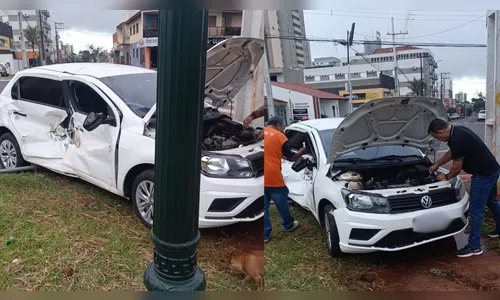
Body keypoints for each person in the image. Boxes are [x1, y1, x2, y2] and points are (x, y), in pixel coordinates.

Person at [428, 118, 500, 258]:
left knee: (475, 210)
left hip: (483, 175)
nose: (438, 139)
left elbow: (456, 168)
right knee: (492, 202)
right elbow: (452, 152)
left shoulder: (457, 139)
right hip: (492, 169)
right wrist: (437, 164)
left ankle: (474, 247)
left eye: (437, 137)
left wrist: (446, 177)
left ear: (440, 131)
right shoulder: (458, 131)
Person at [264, 116, 308, 243]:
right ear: (278, 125)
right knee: (281, 199)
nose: (283, 130)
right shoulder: (279, 136)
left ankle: (265, 235)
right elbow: (291, 158)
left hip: (260, 174)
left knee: (263, 206)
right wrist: (303, 151)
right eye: (283, 127)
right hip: (273, 176)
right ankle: (288, 225)